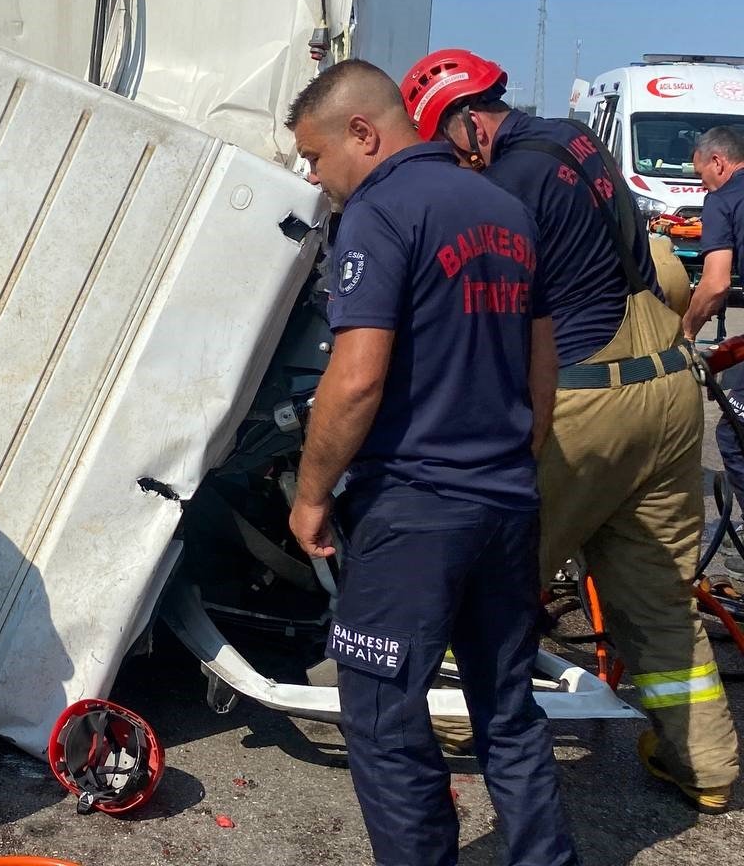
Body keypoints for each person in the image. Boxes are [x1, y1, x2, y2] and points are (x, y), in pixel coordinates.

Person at [401, 49, 738, 813]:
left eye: (449, 144)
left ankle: (449, 726)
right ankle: (705, 766)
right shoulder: (575, 138)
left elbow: (491, 309)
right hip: (666, 386)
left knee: (486, 574)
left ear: (467, 120)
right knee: (656, 592)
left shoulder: (504, 181)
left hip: (586, 402)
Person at [286, 59, 575, 866]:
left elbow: (357, 378)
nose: (315, 177)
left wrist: (310, 495)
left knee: (383, 719)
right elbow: (541, 359)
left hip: (414, 511)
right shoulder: (507, 210)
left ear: (364, 133)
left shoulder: (380, 212)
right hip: (507, 503)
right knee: (508, 710)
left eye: (315, 157)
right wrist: (520, 455)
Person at [684, 127, 744, 519]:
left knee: (735, 434)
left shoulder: (723, 200)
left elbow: (716, 282)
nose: (703, 185)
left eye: (702, 175)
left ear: (718, 162)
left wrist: (686, 329)